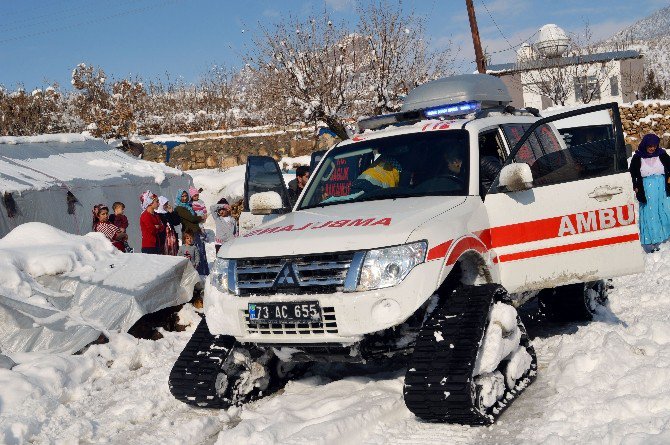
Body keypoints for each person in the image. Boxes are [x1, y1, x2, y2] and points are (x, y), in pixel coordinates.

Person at [629, 133, 670, 252]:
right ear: (645, 145)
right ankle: (653, 241)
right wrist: (635, 186)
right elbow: (633, 173)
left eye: (654, 146)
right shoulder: (638, 157)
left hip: (662, 188)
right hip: (647, 188)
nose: (652, 148)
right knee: (650, 213)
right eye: (650, 146)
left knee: (664, 211)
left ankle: (666, 238)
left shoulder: (662, 155)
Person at [174, 189, 209, 275]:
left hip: (195, 231)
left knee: (200, 253)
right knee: (193, 255)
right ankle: (197, 274)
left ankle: (203, 273)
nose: (185, 198)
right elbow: (192, 219)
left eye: (186, 196)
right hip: (188, 233)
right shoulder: (179, 208)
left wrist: (199, 228)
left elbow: (194, 220)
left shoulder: (188, 206)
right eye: (182, 196)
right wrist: (201, 218)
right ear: (179, 197)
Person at [139, 190, 164, 254]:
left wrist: (157, 227)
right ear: (150, 202)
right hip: (149, 246)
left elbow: (162, 227)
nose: (159, 204)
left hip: (157, 244)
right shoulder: (145, 215)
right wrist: (157, 227)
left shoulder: (155, 214)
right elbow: (152, 230)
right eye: (157, 201)